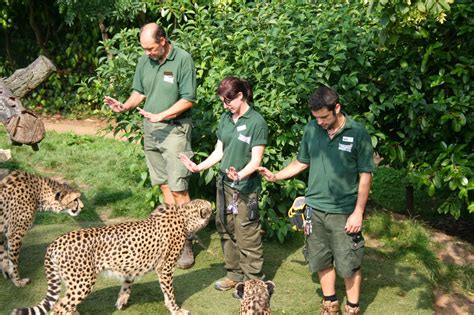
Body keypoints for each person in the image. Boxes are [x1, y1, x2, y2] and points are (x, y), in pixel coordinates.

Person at [257, 86, 374, 315]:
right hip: (315, 209)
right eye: (316, 117)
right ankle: (330, 305)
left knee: (349, 263)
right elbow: (302, 161)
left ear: (337, 108)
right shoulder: (312, 129)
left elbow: (365, 175)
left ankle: (352, 308)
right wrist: (276, 175)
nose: (320, 122)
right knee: (320, 259)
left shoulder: (357, 133)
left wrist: (358, 211)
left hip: (344, 211)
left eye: (324, 117)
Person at [104, 22, 197, 269]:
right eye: (144, 49)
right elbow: (139, 92)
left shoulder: (182, 60)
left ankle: (186, 241)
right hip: (151, 130)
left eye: (151, 48)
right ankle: (171, 236)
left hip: (175, 130)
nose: (147, 53)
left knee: (179, 188)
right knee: (165, 185)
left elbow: (188, 99)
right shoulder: (145, 61)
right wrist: (124, 106)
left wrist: (163, 115)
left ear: (163, 41)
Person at [180, 76, 268, 294]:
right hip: (224, 184)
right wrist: (198, 167)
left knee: (246, 233)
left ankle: (253, 281)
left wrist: (240, 175)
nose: (225, 106)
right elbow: (219, 151)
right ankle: (233, 274)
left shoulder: (257, 122)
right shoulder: (226, 118)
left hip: (246, 189)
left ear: (240, 96)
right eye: (222, 102)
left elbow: (256, 161)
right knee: (225, 228)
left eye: (228, 101)